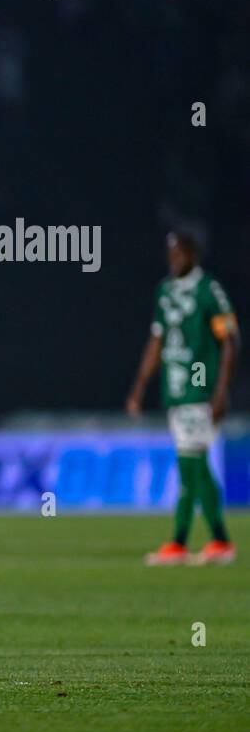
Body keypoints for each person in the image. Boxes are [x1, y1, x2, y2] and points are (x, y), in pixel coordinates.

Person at [126, 230, 239, 565]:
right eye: (170, 253)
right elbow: (156, 342)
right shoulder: (165, 292)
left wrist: (219, 393)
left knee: (191, 465)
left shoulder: (208, 291)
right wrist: (138, 387)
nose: (173, 258)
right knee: (195, 465)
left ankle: (181, 542)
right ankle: (219, 541)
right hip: (175, 390)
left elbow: (230, 342)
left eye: (179, 253)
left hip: (199, 385)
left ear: (193, 254)